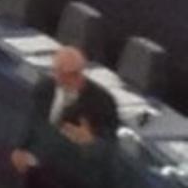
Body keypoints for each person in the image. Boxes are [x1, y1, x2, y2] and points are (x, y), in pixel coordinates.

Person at [10, 46, 119, 188]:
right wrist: (20, 147)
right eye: (60, 73)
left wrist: (90, 142)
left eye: (74, 74)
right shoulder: (44, 89)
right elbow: (33, 120)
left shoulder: (103, 102)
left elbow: (110, 151)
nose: (66, 79)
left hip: (75, 177)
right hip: (40, 172)